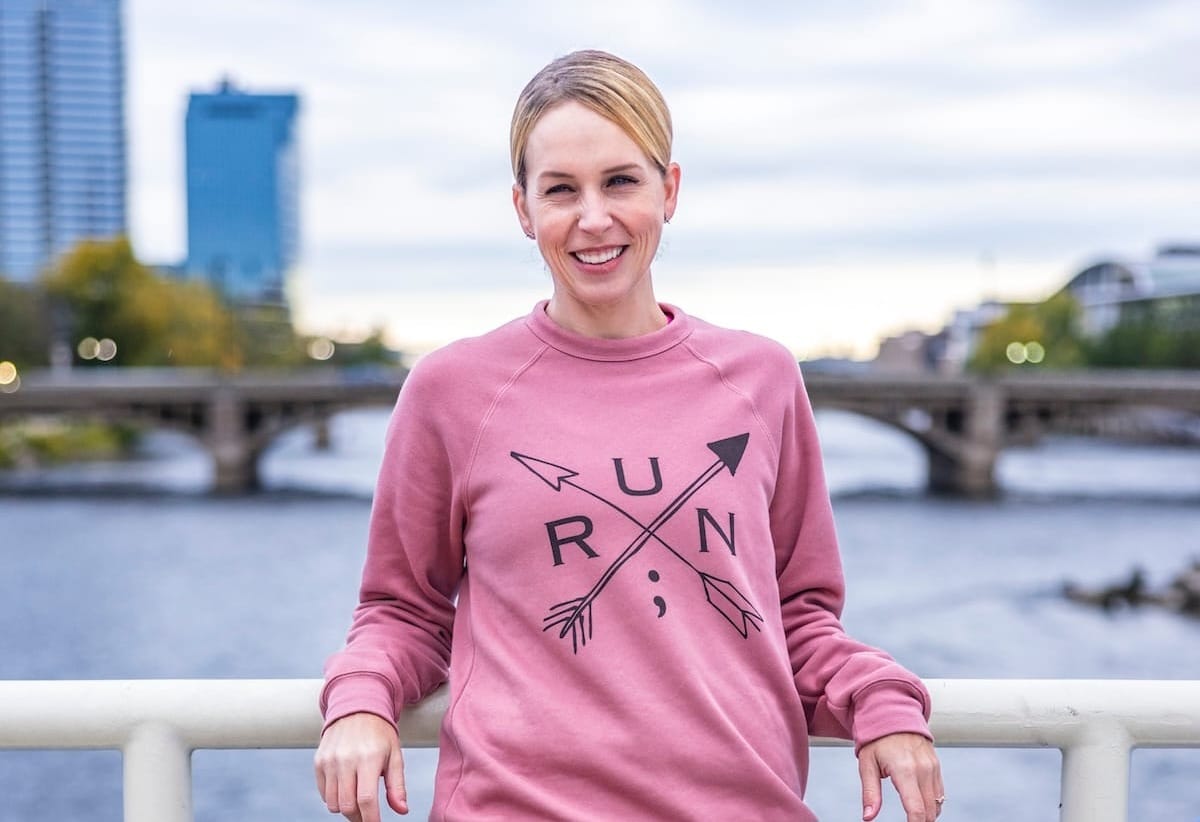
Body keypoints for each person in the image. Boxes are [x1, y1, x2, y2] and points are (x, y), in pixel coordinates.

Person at [314, 49, 944, 822]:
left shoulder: (763, 379)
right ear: (522, 210)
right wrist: (359, 701)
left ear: (669, 190)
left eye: (620, 181)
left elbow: (799, 618)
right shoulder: (452, 391)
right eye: (559, 191)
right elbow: (402, 613)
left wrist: (879, 697)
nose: (593, 218)